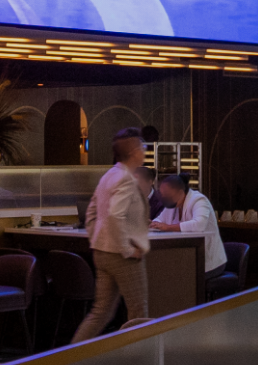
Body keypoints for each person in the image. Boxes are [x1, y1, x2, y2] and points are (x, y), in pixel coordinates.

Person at [73, 128, 152, 342]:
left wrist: (97, 237)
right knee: (138, 313)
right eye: (142, 147)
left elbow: (91, 212)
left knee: (101, 313)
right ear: (134, 152)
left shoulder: (108, 176)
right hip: (122, 256)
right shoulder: (126, 179)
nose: (144, 151)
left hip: (102, 252)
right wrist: (127, 248)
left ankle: (71, 356)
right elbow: (116, 215)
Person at [149, 172, 228, 277]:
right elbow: (160, 220)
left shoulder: (199, 200)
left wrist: (168, 227)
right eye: (162, 195)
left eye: (167, 195)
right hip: (186, 259)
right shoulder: (172, 204)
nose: (164, 199)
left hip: (208, 262)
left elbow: (199, 224)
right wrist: (152, 224)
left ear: (180, 193)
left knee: (176, 278)